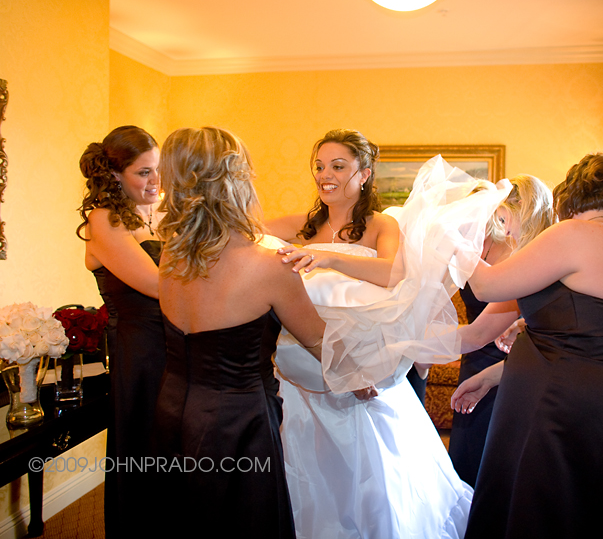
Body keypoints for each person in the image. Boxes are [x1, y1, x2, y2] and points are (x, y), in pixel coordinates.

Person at [265, 129, 508, 539]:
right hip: (298, 378)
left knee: (372, 491)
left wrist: (330, 257)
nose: (326, 175)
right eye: (320, 166)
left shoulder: (382, 226)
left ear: (364, 173)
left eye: (338, 166)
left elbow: (394, 273)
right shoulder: (298, 225)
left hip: (364, 373)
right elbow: (242, 237)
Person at [457, 152, 603, 539]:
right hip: (578, 398)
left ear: (572, 191)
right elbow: (573, 338)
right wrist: (495, 375)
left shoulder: (578, 233)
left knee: (541, 507)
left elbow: (486, 285)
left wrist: (453, 236)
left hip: (555, 404)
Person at [151, 127, 331, 537]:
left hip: (172, 406)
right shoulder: (269, 265)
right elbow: (321, 342)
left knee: (186, 518)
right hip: (236, 421)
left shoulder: (170, 254)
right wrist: (365, 374)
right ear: (235, 180)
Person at [77, 125, 166, 538]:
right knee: (144, 445)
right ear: (115, 175)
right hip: (141, 350)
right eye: (144, 172)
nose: (156, 182)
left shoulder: (151, 215)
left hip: (174, 343)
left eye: (159, 171)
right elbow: (156, 286)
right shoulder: (103, 220)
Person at [448, 175, 553, 486]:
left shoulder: (531, 256)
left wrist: (405, 341)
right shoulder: (526, 249)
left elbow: (481, 311)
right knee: (469, 459)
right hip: (490, 362)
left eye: (505, 218)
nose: (504, 228)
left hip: (520, 369)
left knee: (503, 469)